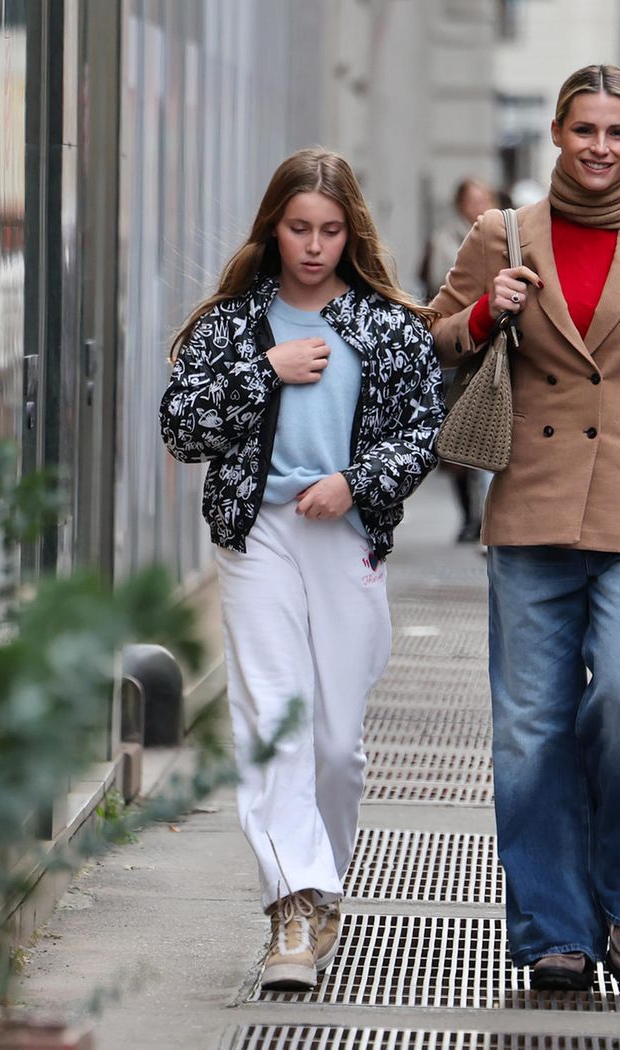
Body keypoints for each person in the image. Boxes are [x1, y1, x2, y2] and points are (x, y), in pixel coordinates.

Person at [427, 63, 620, 991]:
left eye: (617, 132)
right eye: (584, 131)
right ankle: (555, 931)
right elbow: (431, 336)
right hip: (532, 498)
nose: (600, 148)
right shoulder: (506, 232)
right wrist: (490, 311)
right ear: (557, 135)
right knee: (531, 728)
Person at [159, 148, 442, 992]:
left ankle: (322, 891)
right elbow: (181, 427)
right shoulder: (234, 325)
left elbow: (424, 433)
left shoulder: (388, 326)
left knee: (333, 746)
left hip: (347, 535)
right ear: (273, 229)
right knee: (276, 718)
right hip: (257, 537)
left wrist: (355, 483)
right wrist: (265, 374)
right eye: (298, 229)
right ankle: (292, 902)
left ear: (350, 232)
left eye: (328, 230)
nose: (313, 246)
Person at [424, 177, 500, 543]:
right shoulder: (447, 239)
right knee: (456, 435)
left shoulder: (507, 235)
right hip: (461, 346)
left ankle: (483, 515)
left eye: (485, 198)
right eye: (472, 199)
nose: (479, 205)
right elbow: (442, 293)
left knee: (489, 432)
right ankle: (470, 515)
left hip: (495, 350)